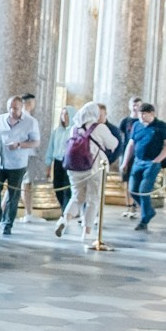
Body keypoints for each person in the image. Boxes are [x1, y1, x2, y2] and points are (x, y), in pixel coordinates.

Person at [56, 101, 118, 240]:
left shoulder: (75, 128)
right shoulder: (100, 128)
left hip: (75, 169)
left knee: (76, 197)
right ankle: (87, 232)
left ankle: (64, 220)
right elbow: (113, 143)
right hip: (94, 168)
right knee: (93, 200)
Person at [0, 95, 40, 235]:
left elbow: (36, 142)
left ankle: (8, 223)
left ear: (21, 107)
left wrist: (20, 144)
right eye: (11, 108)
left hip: (18, 163)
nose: (13, 111)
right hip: (0, 162)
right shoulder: (0, 119)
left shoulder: (30, 122)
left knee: (13, 195)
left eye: (16, 108)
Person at [125, 103, 166, 231]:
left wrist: (158, 160)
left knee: (144, 190)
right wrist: (125, 161)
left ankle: (144, 220)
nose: (142, 117)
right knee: (133, 190)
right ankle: (149, 210)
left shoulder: (161, 126)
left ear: (152, 113)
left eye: (144, 114)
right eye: (140, 114)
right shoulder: (136, 125)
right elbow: (131, 144)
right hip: (138, 162)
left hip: (152, 163)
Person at [46, 107, 72, 215]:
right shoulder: (56, 131)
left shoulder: (74, 130)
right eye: (62, 114)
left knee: (67, 188)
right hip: (57, 162)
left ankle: (65, 213)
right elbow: (51, 148)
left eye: (66, 114)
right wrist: (48, 164)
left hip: (69, 163)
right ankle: (63, 208)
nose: (64, 117)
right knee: (57, 186)